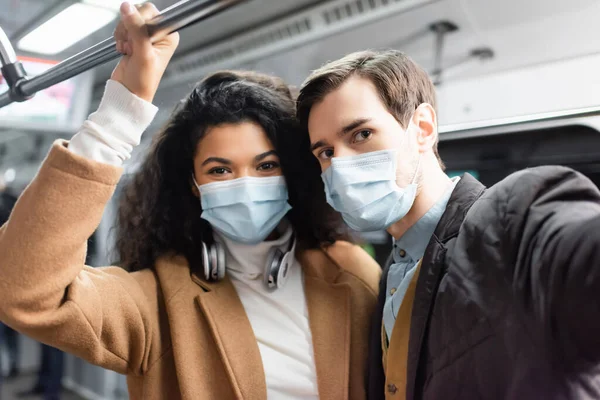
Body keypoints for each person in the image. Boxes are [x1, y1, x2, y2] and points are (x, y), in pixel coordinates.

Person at [0, 3, 380, 400]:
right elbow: (25, 292)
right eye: (219, 171)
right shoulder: (157, 302)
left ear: (290, 173)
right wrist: (119, 114)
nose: (246, 184)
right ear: (195, 185)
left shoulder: (349, 274)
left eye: (266, 165)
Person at [296, 49, 600, 399]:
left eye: (361, 135)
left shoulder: (511, 219)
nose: (341, 167)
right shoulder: (392, 274)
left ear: (423, 129)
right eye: (326, 153)